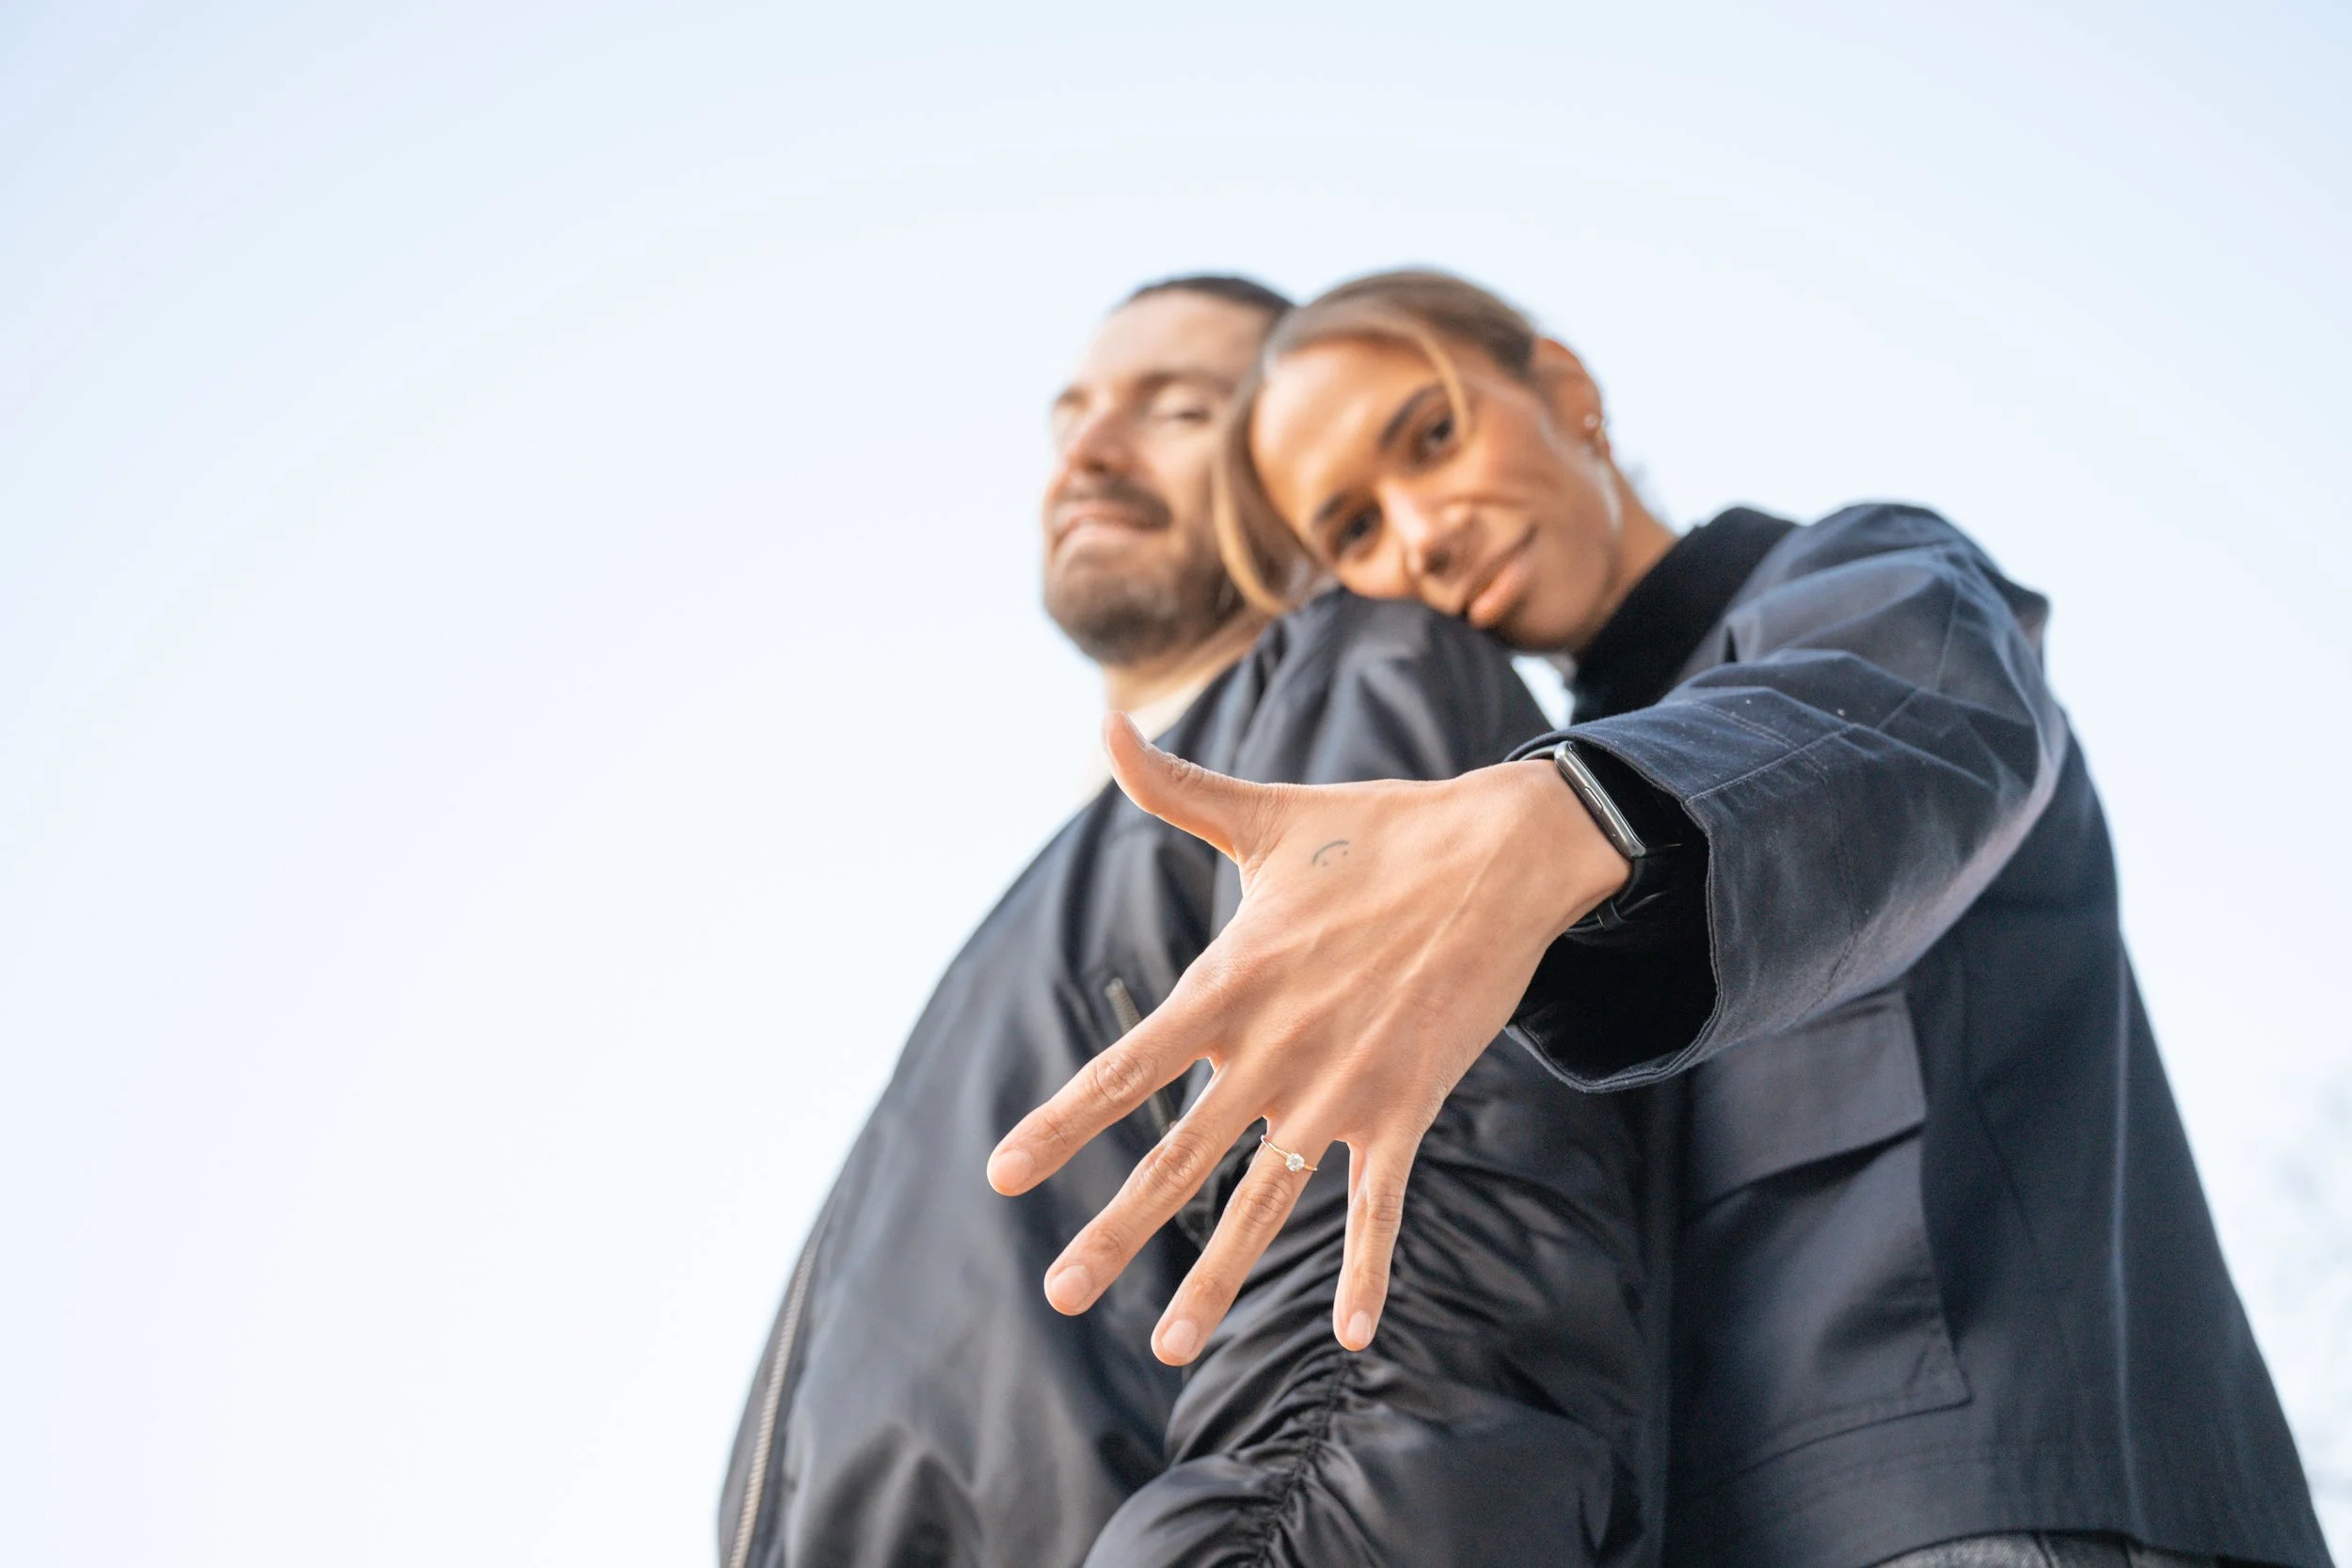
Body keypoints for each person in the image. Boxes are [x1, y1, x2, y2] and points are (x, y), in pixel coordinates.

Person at [989, 269, 2332, 1568]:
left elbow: (1907, 726)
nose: (1422, 531)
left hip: (1987, 1505)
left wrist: (1563, 815)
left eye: (1433, 437)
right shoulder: (1496, 807)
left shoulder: (1864, 577)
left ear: (1564, 390)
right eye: (1353, 530)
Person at [720, 276, 1670, 1568]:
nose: (1092, 454)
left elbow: (1405, 1303)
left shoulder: (1364, 681)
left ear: (1287, 492)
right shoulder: (1060, 886)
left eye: (1175, 410)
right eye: (1071, 419)